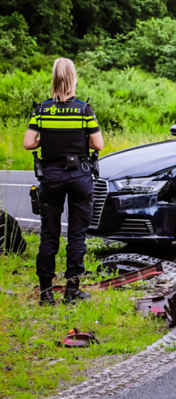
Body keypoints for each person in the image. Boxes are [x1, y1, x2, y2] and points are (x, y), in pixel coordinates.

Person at [23, 58, 103, 305]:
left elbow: (28, 143)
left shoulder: (42, 110)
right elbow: (97, 144)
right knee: (77, 234)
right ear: (73, 78)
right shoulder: (83, 109)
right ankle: (72, 290)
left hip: (51, 176)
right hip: (79, 175)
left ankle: (46, 292)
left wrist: (44, 142)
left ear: (54, 79)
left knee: (49, 235)